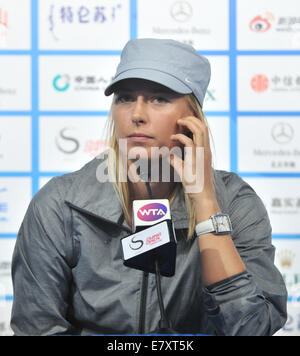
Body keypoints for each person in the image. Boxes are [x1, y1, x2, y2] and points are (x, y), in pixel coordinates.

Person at [10, 39, 287, 336]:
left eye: (159, 99)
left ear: (194, 119)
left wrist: (206, 203)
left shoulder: (234, 202)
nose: (137, 114)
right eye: (125, 97)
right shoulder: (60, 204)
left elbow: (252, 329)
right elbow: (36, 329)